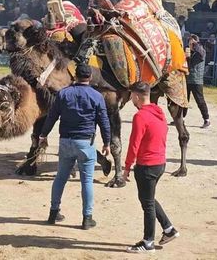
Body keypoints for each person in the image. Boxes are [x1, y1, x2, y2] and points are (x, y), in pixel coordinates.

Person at [39, 64, 111, 230]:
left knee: (60, 178)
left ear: (75, 76)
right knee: (86, 181)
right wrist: (106, 143)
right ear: (90, 77)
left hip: (65, 141)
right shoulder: (96, 96)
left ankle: (53, 212)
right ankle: (87, 218)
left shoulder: (64, 93)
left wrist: (43, 135)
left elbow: (51, 117)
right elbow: (104, 121)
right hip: (86, 142)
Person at [124, 81, 179, 253]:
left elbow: (134, 143)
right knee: (148, 199)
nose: (131, 98)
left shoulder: (140, 116)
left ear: (137, 96)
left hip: (146, 165)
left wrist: (126, 167)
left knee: (147, 204)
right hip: (159, 163)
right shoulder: (158, 112)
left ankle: (148, 242)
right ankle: (169, 229)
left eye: (132, 95)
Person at [185, 35, 210, 128]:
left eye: (191, 42)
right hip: (187, 79)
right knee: (184, 100)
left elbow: (201, 55)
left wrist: (195, 44)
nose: (190, 43)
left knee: (200, 100)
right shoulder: (190, 51)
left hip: (196, 80)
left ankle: (206, 119)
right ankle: (180, 118)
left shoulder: (200, 50)